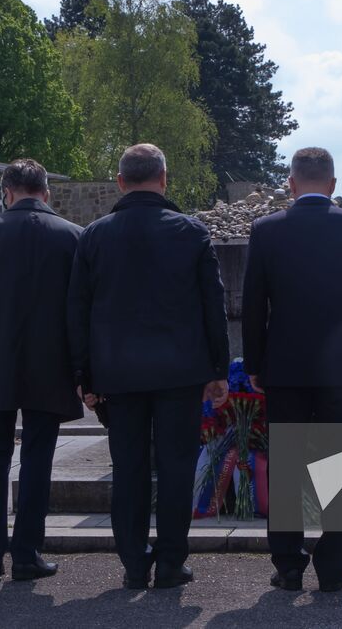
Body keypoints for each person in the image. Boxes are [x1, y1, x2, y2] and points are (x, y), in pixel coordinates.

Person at [67, 144, 230, 590]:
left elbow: (77, 311)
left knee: (129, 469)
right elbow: (212, 306)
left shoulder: (94, 235)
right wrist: (218, 368)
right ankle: (172, 562)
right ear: (164, 178)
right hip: (180, 372)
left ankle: (134, 565)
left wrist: (83, 376)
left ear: (120, 182)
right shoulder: (191, 232)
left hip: (117, 374)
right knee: (177, 469)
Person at [242, 147, 342, 594]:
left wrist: (253, 364)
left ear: (290, 182)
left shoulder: (265, 230)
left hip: (284, 366)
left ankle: (287, 566)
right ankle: (332, 566)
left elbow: (252, 306)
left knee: (285, 464)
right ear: (333, 184)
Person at [0, 159, 83, 581]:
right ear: (46, 192)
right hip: (50, 366)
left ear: (6, 192)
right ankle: (26, 553)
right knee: (38, 460)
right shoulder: (73, 236)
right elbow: (79, 311)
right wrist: (84, 372)